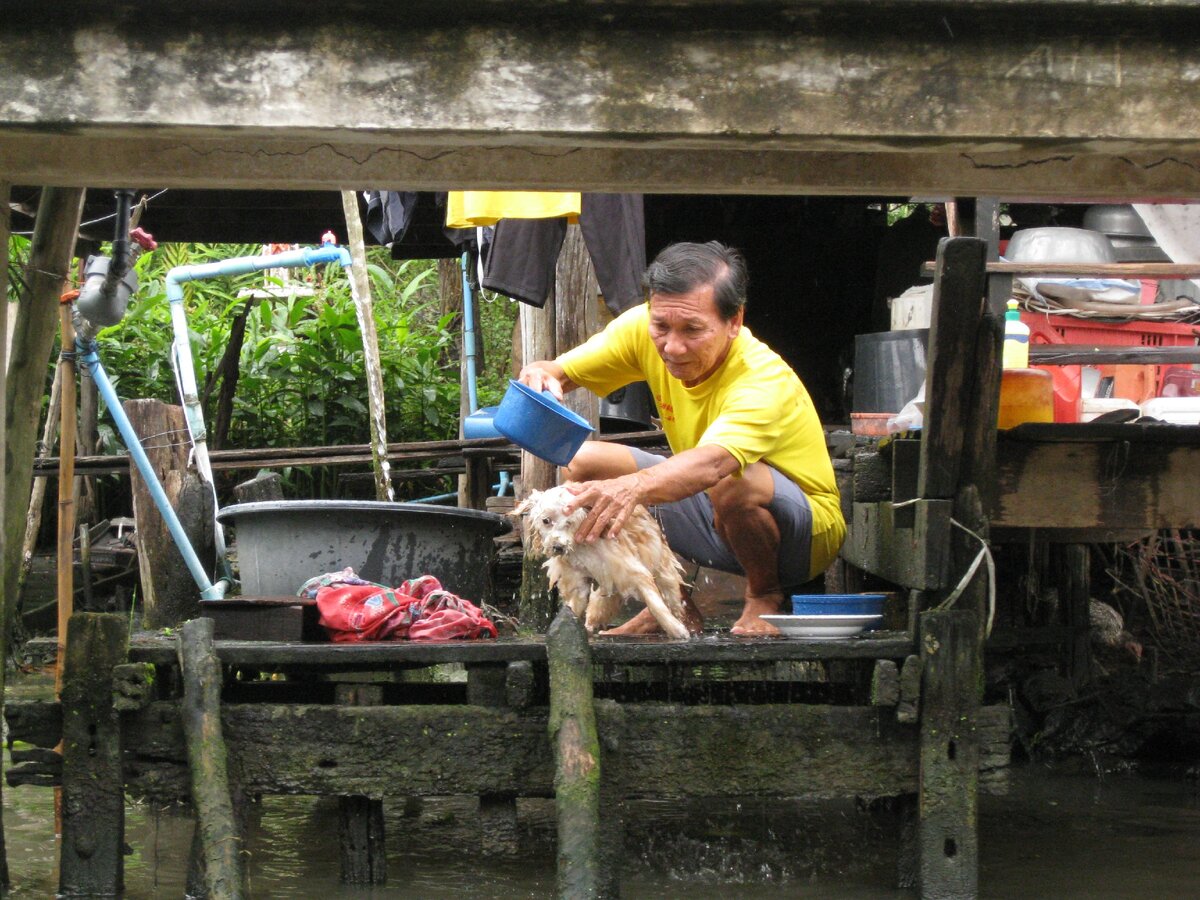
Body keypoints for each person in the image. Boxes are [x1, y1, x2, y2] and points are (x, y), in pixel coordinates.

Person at [518, 241, 846, 635]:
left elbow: (714, 464)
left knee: (731, 479)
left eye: (692, 330)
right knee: (584, 462)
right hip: (713, 511)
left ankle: (763, 596)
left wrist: (631, 488)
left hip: (802, 539)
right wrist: (539, 375)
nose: (672, 347)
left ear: (734, 321)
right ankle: (674, 603)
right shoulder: (642, 327)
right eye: (662, 327)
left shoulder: (762, 379)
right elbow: (560, 372)